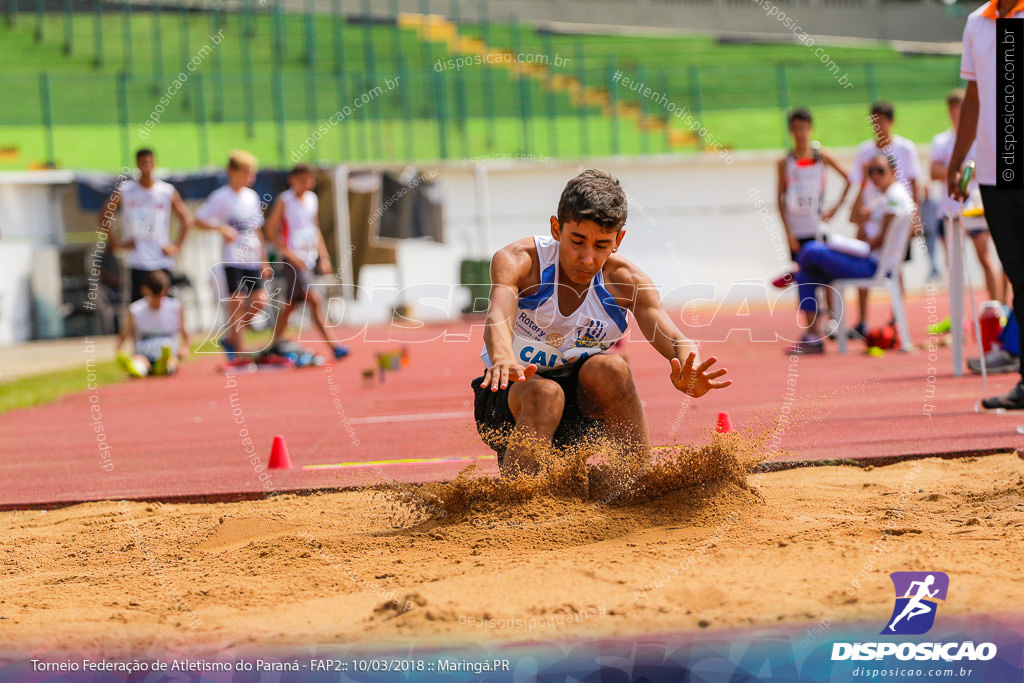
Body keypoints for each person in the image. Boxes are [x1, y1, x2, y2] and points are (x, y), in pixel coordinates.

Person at [472, 170, 732, 477]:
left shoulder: (626, 281)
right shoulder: (521, 261)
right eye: (577, 242)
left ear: (618, 240)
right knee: (545, 395)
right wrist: (503, 358)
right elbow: (498, 314)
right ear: (556, 229)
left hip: (580, 409)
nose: (587, 259)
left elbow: (676, 338)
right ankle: (517, 504)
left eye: (601, 245)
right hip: (509, 398)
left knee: (613, 369)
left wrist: (691, 367)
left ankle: (636, 482)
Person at [950, 0, 1024, 409]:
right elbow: (974, 96)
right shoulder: (977, 21)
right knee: (1017, 274)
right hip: (996, 175)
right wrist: (959, 160)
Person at [790, 153, 915, 354]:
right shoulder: (882, 195)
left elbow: (879, 241)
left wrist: (856, 245)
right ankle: (813, 338)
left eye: (880, 171)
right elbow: (855, 217)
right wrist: (863, 184)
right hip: (867, 258)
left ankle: (791, 272)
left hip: (872, 265)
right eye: (870, 171)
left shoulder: (894, 197)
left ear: (894, 172)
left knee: (811, 250)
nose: (875, 176)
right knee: (806, 275)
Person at [847, 102, 922, 336]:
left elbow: (916, 185)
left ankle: (896, 318)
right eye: (874, 121)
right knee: (863, 265)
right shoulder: (865, 151)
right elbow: (858, 187)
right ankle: (862, 320)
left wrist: (914, 220)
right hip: (872, 218)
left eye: (882, 120)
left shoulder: (905, 149)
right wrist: (860, 224)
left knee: (895, 267)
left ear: (891, 122)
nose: (878, 126)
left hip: (897, 219)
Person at [263, 163, 350, 360]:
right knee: (314, 300)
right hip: (294, 262)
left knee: (291, 305)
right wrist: (289, 254)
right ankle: (334, 345)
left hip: (309, 259)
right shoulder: (284, 200)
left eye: (309, 179)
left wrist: (324, 256)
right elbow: (270, 229)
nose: (307, 183)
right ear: (292, 180)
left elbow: (315, 228)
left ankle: (274, 343)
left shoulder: (312, 199)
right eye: (302, 179)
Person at [194, 150, 269, 360]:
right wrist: (220, 229)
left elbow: (257, 230)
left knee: (259, 302)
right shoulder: (221, 197)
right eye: (246, 172)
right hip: (233, 259)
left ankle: (231, 338)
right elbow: (198, 220)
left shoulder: (251, 197)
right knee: (236, 303)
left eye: (252, 173)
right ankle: (238, 353)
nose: (250, 177)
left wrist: (264, 260)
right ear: (233, 172)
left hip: (252, 258)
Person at [930, 89, 1003, 302]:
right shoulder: (941, 140)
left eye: (960, 110)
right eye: (952, 110)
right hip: (950, 210)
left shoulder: (983, 139)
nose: (956, 115)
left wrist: (956, 170)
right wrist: (959, 171)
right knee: (953, 267)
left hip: (976, 209)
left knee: (986, 258)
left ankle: (997, 308)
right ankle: (958, 319)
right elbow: (934, 171)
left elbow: (987, 169)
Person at [100, 148, 193, 302]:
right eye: (143, 163)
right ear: (137, 164)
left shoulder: (166, 191)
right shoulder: (126, 190)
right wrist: (116, 243)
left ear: (155, 164)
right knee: (138, 306)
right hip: (137, 260)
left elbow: (187, 219)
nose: (147, 167)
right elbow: (104, 215)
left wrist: (176, 246)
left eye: (150, 162)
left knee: (165, 304)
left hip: (161, 259)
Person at [776, 108, 851, 260]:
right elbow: (780, 199)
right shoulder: (785, 161)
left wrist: (835, 209)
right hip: (796, 229)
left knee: (823, 274)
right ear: (790, 131)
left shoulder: (822, 156)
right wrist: (788, 233)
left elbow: (850, 178)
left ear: (810, 129)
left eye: (803, 128)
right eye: (796, 128)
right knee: (802, 274)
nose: (800, 133)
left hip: (817, 226)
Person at [115, 270, 189, 377]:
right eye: (154, 297)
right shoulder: (136, 310)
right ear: (145, 291)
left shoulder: (175, 307)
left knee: (171, 361)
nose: (157, 301)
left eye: (160, 296)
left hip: (168, 352)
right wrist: (119, 350)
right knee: (140, 362)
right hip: (144, 352)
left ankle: (164, 367)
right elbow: (124, 334)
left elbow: (185, 333)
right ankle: (137, 369)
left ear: (165, 291)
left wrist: (185, 348)